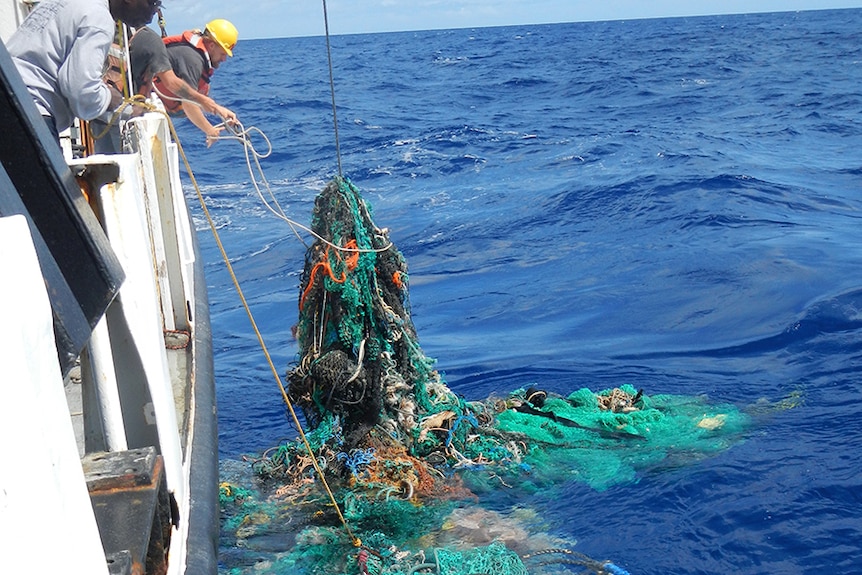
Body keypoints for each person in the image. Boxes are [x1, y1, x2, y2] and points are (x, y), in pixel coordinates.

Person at [5, 0, 160, 142]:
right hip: (30, 113)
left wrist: (123, 110)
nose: (154, 12)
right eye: (152, 3)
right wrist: (109, 98)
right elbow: (80, 89)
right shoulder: (99, 17)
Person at [155, 19, 238, 147]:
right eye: (222, 53)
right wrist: (209, 130)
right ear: (211, 45)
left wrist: (218, 110)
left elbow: (195, 98)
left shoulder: (195, 55)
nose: (224, 59)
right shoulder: (193, 60)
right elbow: (189, 102)